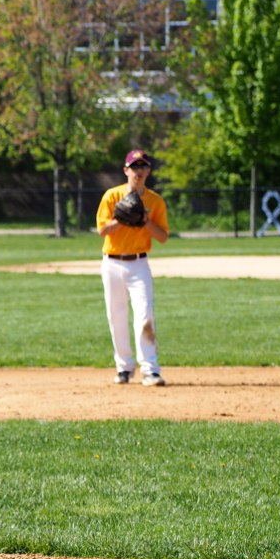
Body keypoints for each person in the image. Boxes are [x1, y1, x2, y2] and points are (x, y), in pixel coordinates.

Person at [96, 149, 170, 387]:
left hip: (139, 264)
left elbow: (163, 237)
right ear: (126, 170)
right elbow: (102, 230)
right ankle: (124, 368)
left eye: (143, 166)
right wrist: (123, 218)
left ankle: (150, 370)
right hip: (112, 263)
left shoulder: (155, 201)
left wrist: (145, 220)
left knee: (145, 315)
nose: (138, 171)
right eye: (134, 166)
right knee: (116, 316)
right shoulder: (112, 195)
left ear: (148, 170)